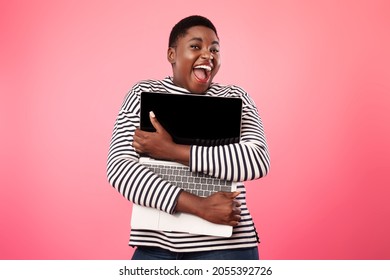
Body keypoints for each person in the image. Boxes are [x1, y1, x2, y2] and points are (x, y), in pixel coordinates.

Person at [107, 15, 270, 260]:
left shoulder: (235, 96)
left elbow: (256, 160)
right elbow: (120, 168)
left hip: (228, 247)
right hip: (156, 246)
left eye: (214, 49)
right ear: (172, 54)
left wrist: (172, 150)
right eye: (196, 46)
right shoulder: (143, 93)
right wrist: (198, 206)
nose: (208, 55)